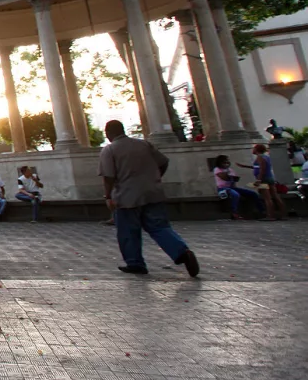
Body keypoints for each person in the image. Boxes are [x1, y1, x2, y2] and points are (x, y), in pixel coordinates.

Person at [99, 119, 199, 277]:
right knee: (160, 227)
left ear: (109, 133)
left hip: (127, 196)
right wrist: (155, 178)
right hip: (153, 192)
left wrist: (108, 195)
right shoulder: (144, 144)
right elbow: (163, 162)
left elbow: (108, 176)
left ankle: (135, 262)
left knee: (128, 231)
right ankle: (182, 252)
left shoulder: (110, 150)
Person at [239, 144, 287, 220]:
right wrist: (244, 166)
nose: (253, 150)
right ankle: (283, 214)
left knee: (267, 198)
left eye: (254, 148)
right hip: (270, 178)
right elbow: (257, 167)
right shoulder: (266, 157)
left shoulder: (260, 157)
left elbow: (262, 168)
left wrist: (259, 180)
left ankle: (270, 215)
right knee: (276, 196)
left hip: (264, 179)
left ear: (257, 149)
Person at [213, 155, 265, 220]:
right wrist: (228, 174)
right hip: (222, 188)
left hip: (232, 187)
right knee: (235, 195)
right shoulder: (217, 169)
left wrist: (233, 180)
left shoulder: (230, 170)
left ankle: (262, 210)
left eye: (227, 162)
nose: (226, 163)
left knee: (253, 194)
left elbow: (234, 181)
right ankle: (234, 213)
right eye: (224, 162)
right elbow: (224, 177)